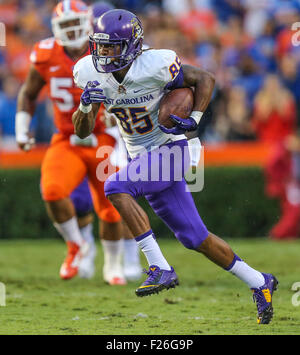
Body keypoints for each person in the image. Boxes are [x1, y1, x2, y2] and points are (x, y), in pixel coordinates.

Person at [72, 9, 278, 324]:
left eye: (112, 46)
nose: (104, 53)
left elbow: (204, 78)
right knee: (195, 238)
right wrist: (86, 105)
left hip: (170, 150)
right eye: (101, 46)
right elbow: (82, 131)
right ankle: (259, 282)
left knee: (115, 186)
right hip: (142, 159)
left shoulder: (154, 64)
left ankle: (160, 267)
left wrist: (194, 118)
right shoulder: (88, 71)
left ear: (132, 44)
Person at [15, 0, 133, 285]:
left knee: (112, 206)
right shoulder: (45, 54)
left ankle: (114, 264)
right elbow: (28, 94)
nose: (70, 31)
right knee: (52, 190)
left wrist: (119, 116)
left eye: (74, 24)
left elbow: (132, 89)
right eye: (64, 25)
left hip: (104, 139)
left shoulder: (106, 50)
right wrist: (22, 129)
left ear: (88, 24)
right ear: (55, 28)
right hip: (67, 137)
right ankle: (76, 245)